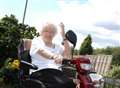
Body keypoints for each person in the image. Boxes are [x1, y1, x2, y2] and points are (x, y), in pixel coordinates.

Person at [30, 22, 80, 88]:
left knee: (72, 84)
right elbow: (41, 51)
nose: (49, 34)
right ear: (41, 32)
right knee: (60, 84)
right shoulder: (37, 41)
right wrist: (54, 56)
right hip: (40, 71)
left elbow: (67, 55)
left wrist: (63, 35)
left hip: (57, 73)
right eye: (46, 31)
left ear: (54, 34)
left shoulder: (57, 45)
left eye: (52, 32)